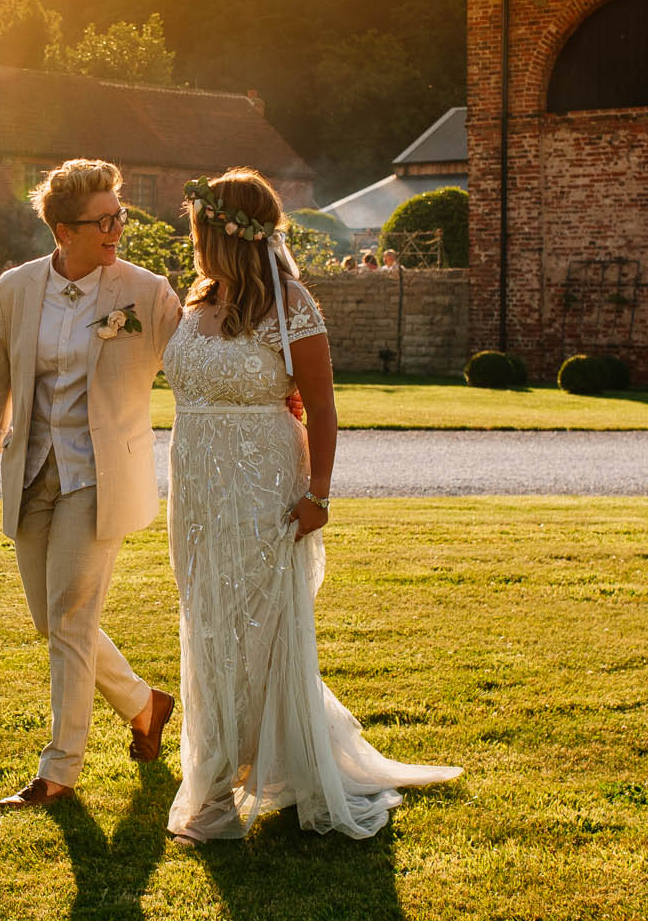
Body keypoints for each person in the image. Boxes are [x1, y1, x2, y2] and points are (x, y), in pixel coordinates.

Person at [161, 168, 459, 843]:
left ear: (226, 230)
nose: (195, 240)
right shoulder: (198, 297)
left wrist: (318, 494)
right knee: (207, 620)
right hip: (198, 487)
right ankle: (230, 759)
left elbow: (322, 406)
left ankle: (214, 786)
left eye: (200, 228)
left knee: (257, 627)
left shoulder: (289, 302)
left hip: (263, 482)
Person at [0, 159, 184, 809]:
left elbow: (195, 357)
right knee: (54, 619)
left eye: (121, 215)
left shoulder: (145, 290)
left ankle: (59, 768)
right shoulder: (16, 287)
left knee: (68, 617)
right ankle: (146, 705)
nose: (118, 228)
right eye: (104, 220)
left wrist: (267, 388)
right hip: (32, 468)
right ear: (63, 229)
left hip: (101, 475)